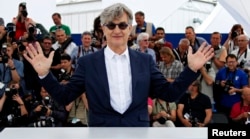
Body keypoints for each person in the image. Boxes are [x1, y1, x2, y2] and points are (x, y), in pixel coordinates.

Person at [23, 3, 214, 127]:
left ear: (130, 28)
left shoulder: (145, 60)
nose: (117, 30)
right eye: (111, 25)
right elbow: (65, 96)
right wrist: (44, 74)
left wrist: (191, 70)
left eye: (122, 25)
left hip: (137, 131)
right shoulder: (87, 63)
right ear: (103, 29)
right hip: (101, 132)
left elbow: (169, 93)